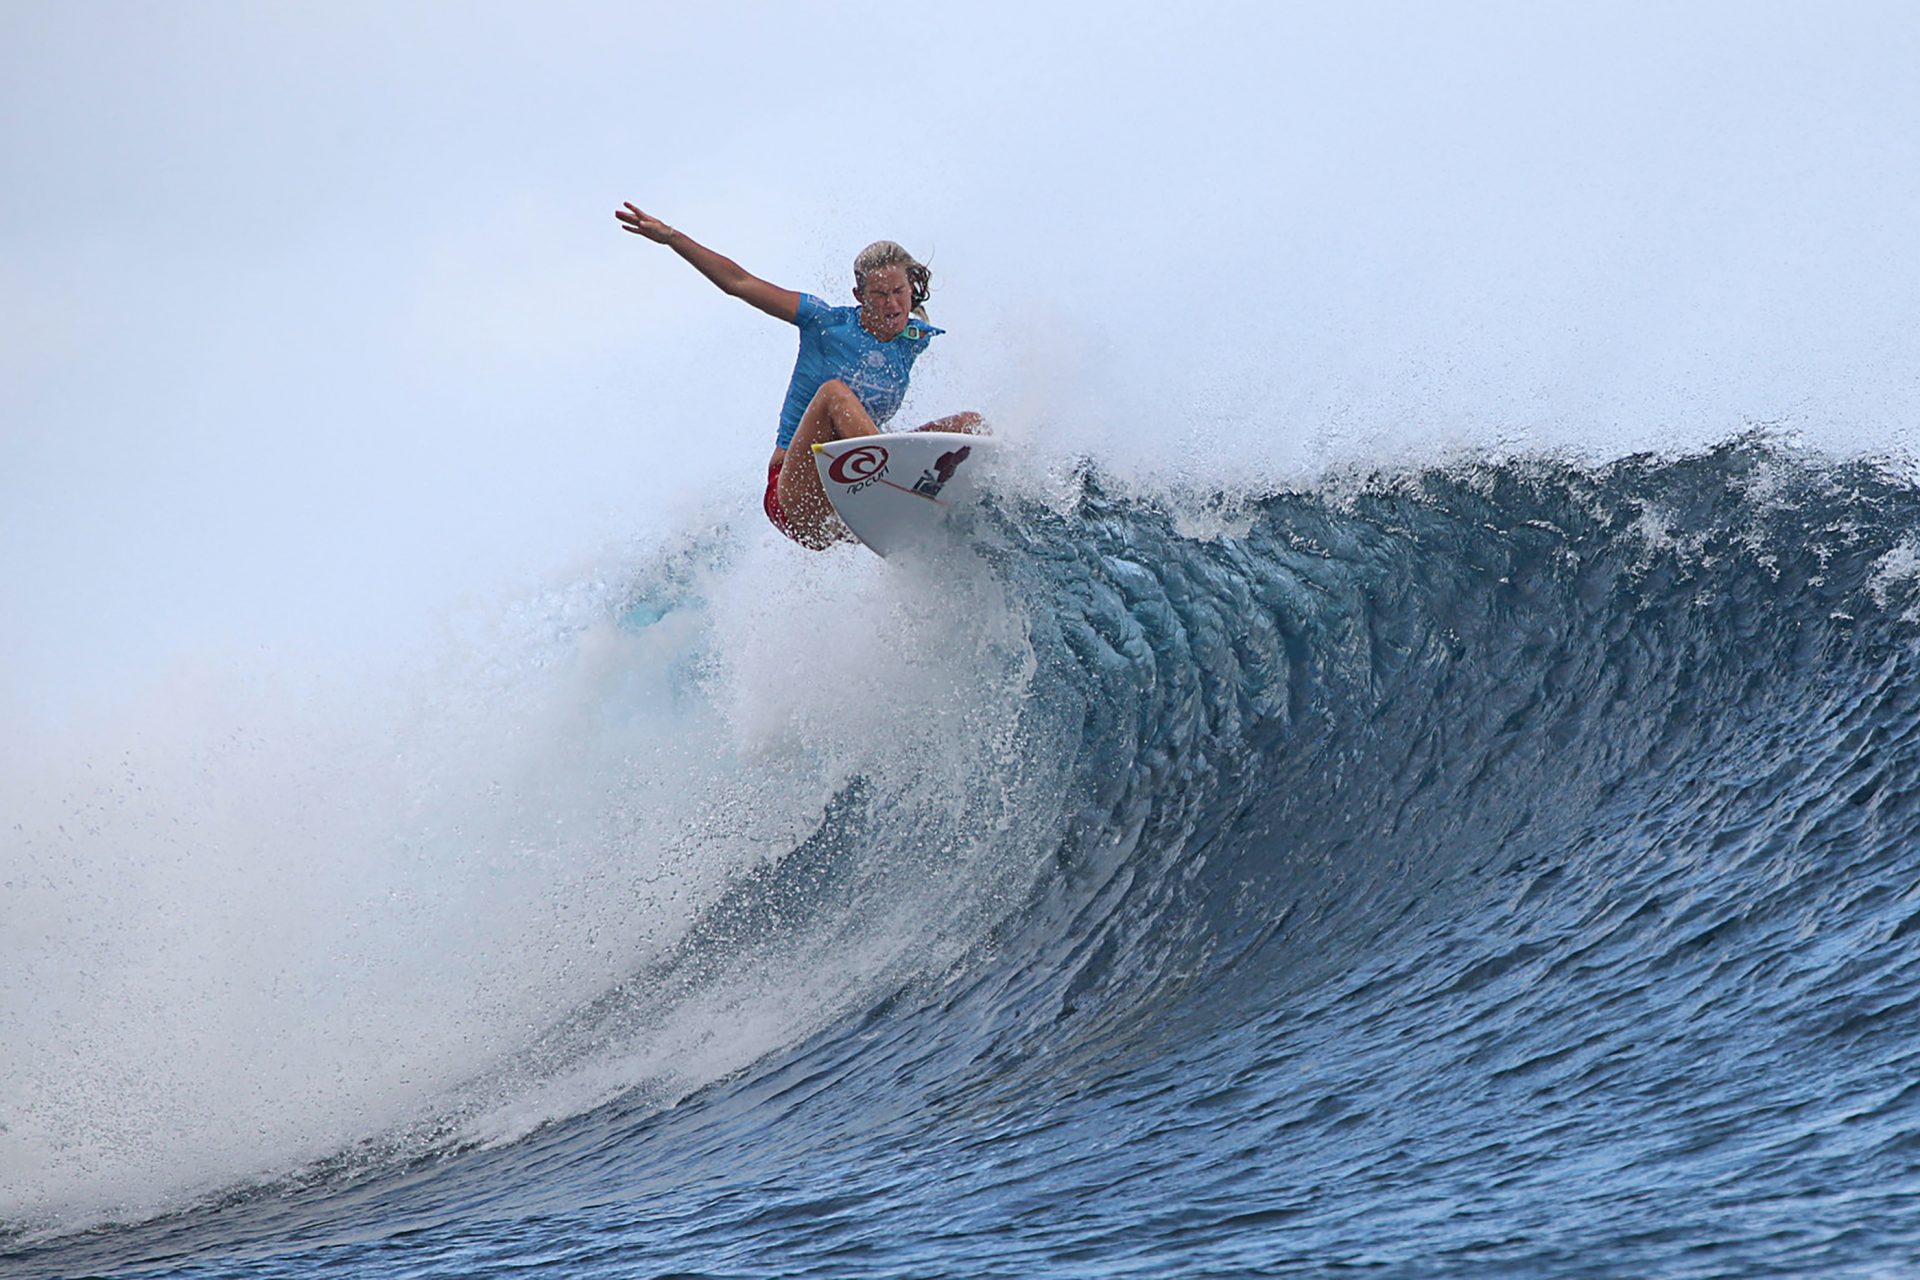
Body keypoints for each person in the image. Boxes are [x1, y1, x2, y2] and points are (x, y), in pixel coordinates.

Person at [615, 202, 982, 549]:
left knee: (970, 425)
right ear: (859, 295)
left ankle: (957, 512)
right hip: (798, 495)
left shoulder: (913, 341)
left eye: (899, 291)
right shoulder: (824, 322)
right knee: (834, 393)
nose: (892, 304)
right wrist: (672, 237)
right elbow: (738, 282)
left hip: (855, 491)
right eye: (879, 294)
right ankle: (894, 488)